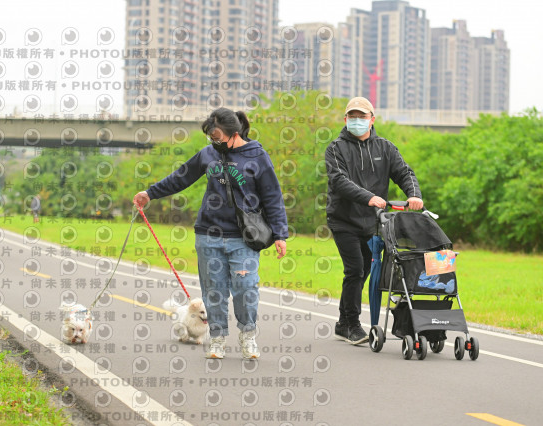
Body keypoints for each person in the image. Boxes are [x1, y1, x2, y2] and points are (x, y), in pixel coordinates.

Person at [133, 108, 288, 359]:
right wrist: (150, 193)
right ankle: (217, 338)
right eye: (211, 137)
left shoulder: (257, 156)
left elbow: (272, 196)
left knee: (246, 288)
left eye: (217, 137)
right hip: (208, 234)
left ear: (234, 134)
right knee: (213, 292)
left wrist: (280, 233)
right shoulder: (209, 153)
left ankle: (248, 335)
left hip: (244, 237)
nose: (213, 141)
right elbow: (180, 177)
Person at [325, 96, 423, 345]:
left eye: (362, 116)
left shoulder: (385, 148)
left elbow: (404, 172)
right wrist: (369, 197)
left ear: (372, 119)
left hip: (374, 223)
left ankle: (342, 323)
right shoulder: (336, 148)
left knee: (364, 272)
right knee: (355, 269)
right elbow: (339, 181)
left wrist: (414, 194)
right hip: (343, 220)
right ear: (345, 119)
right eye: (353, 116)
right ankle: (352, 325)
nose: (357, 120)